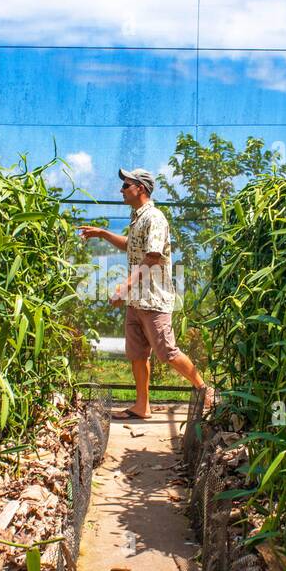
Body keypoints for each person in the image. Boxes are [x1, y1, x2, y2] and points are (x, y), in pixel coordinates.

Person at [77, 168, 211, 421]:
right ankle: (142, 406)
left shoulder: (155, 218)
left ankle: (205, 390)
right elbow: (132, 245)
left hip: (153, 299)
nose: (121, 190)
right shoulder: (137, 217)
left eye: (126, 185)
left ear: (140, 188)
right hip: (136, 301)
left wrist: (124, 287)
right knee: (137, 354)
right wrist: (103, 234)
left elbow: (152, 256)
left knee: (167, 352)